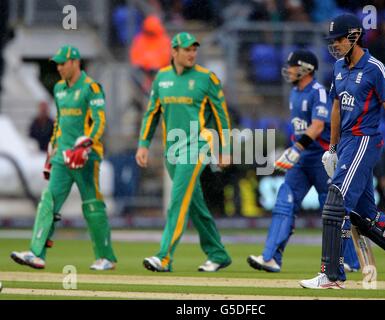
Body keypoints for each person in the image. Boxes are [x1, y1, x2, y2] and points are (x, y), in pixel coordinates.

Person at [300, 13, 385, 290]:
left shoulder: (375, 68)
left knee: (336, 202)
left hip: (364, 141)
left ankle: (332, 275)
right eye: (331, 40)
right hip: (346, 143)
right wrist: (332, 148)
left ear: (355, 36)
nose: (334, 45)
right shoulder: (337, 67)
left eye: (338, 40)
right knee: (366, 217)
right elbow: (336, 108)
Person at [247, 49, 360, 273]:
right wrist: (295, 148)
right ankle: (270, 257)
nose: (288, 70)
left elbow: (318, 126)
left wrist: (296, 148)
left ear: (305, 69)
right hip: (301, 159)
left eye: (292, 66)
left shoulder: (317, 92)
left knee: (333, 210)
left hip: (322, 159)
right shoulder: (294, 93)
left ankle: (349, 260)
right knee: (284, 202)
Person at [11, 45, 117, 271]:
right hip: (62, 157)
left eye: (62, 63)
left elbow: (99, 121)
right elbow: (59, 122)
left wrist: (86, 143)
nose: (59, 68)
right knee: (48, 202)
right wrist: (52, 151)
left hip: (86, 156)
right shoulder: (59, 89)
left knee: (92, 206)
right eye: (57, 64)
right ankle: (36, 253)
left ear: (75, 62)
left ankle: (106, 257)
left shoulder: (91, 88)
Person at [135, 32, 232, 272]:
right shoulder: (161, 78)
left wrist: (226, 149)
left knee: (177, 201)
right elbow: (151, 113)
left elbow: (222, 116)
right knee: (194, 205)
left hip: (198, 145)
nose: (192, 54)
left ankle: (164, 256)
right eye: (187, 49)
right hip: (172, 150)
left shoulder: (206, 78)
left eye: (194, 49)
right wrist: (143, 144)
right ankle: (217, 253)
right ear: (174, 51)